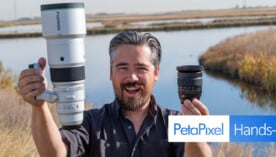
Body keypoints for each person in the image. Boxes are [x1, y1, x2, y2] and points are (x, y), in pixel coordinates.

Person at [18, 31, 212, 157]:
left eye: (141, 68)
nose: (132, 77)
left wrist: (195, 132)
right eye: (122, 67)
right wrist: (39, 106)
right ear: (110, 73)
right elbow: (54, 154)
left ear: (156, 73)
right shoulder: (89, 122)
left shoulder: (177, 122)